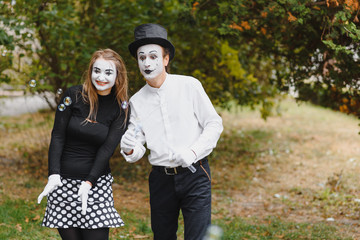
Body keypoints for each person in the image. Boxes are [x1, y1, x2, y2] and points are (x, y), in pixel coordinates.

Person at [120, 23, 223, 240]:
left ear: (166, 59)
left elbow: (214, 124)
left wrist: (193, 152)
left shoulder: (190, 86)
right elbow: (137, 143)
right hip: (161, 179)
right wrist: (130, 148)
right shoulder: (136, 101)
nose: (147, 62)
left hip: (195, 174)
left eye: (153, 56)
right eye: (141, 57)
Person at [37, 48, 129, 240]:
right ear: (90, 71)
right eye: (97, 70)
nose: (101, 77)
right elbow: (58, 136)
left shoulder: (121, 107)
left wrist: (89, 182)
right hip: (61, 184)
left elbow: (107, 149)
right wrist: (53, 174)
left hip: (95, 185)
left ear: (118, 76)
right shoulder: (74, 94)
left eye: (108, 72)